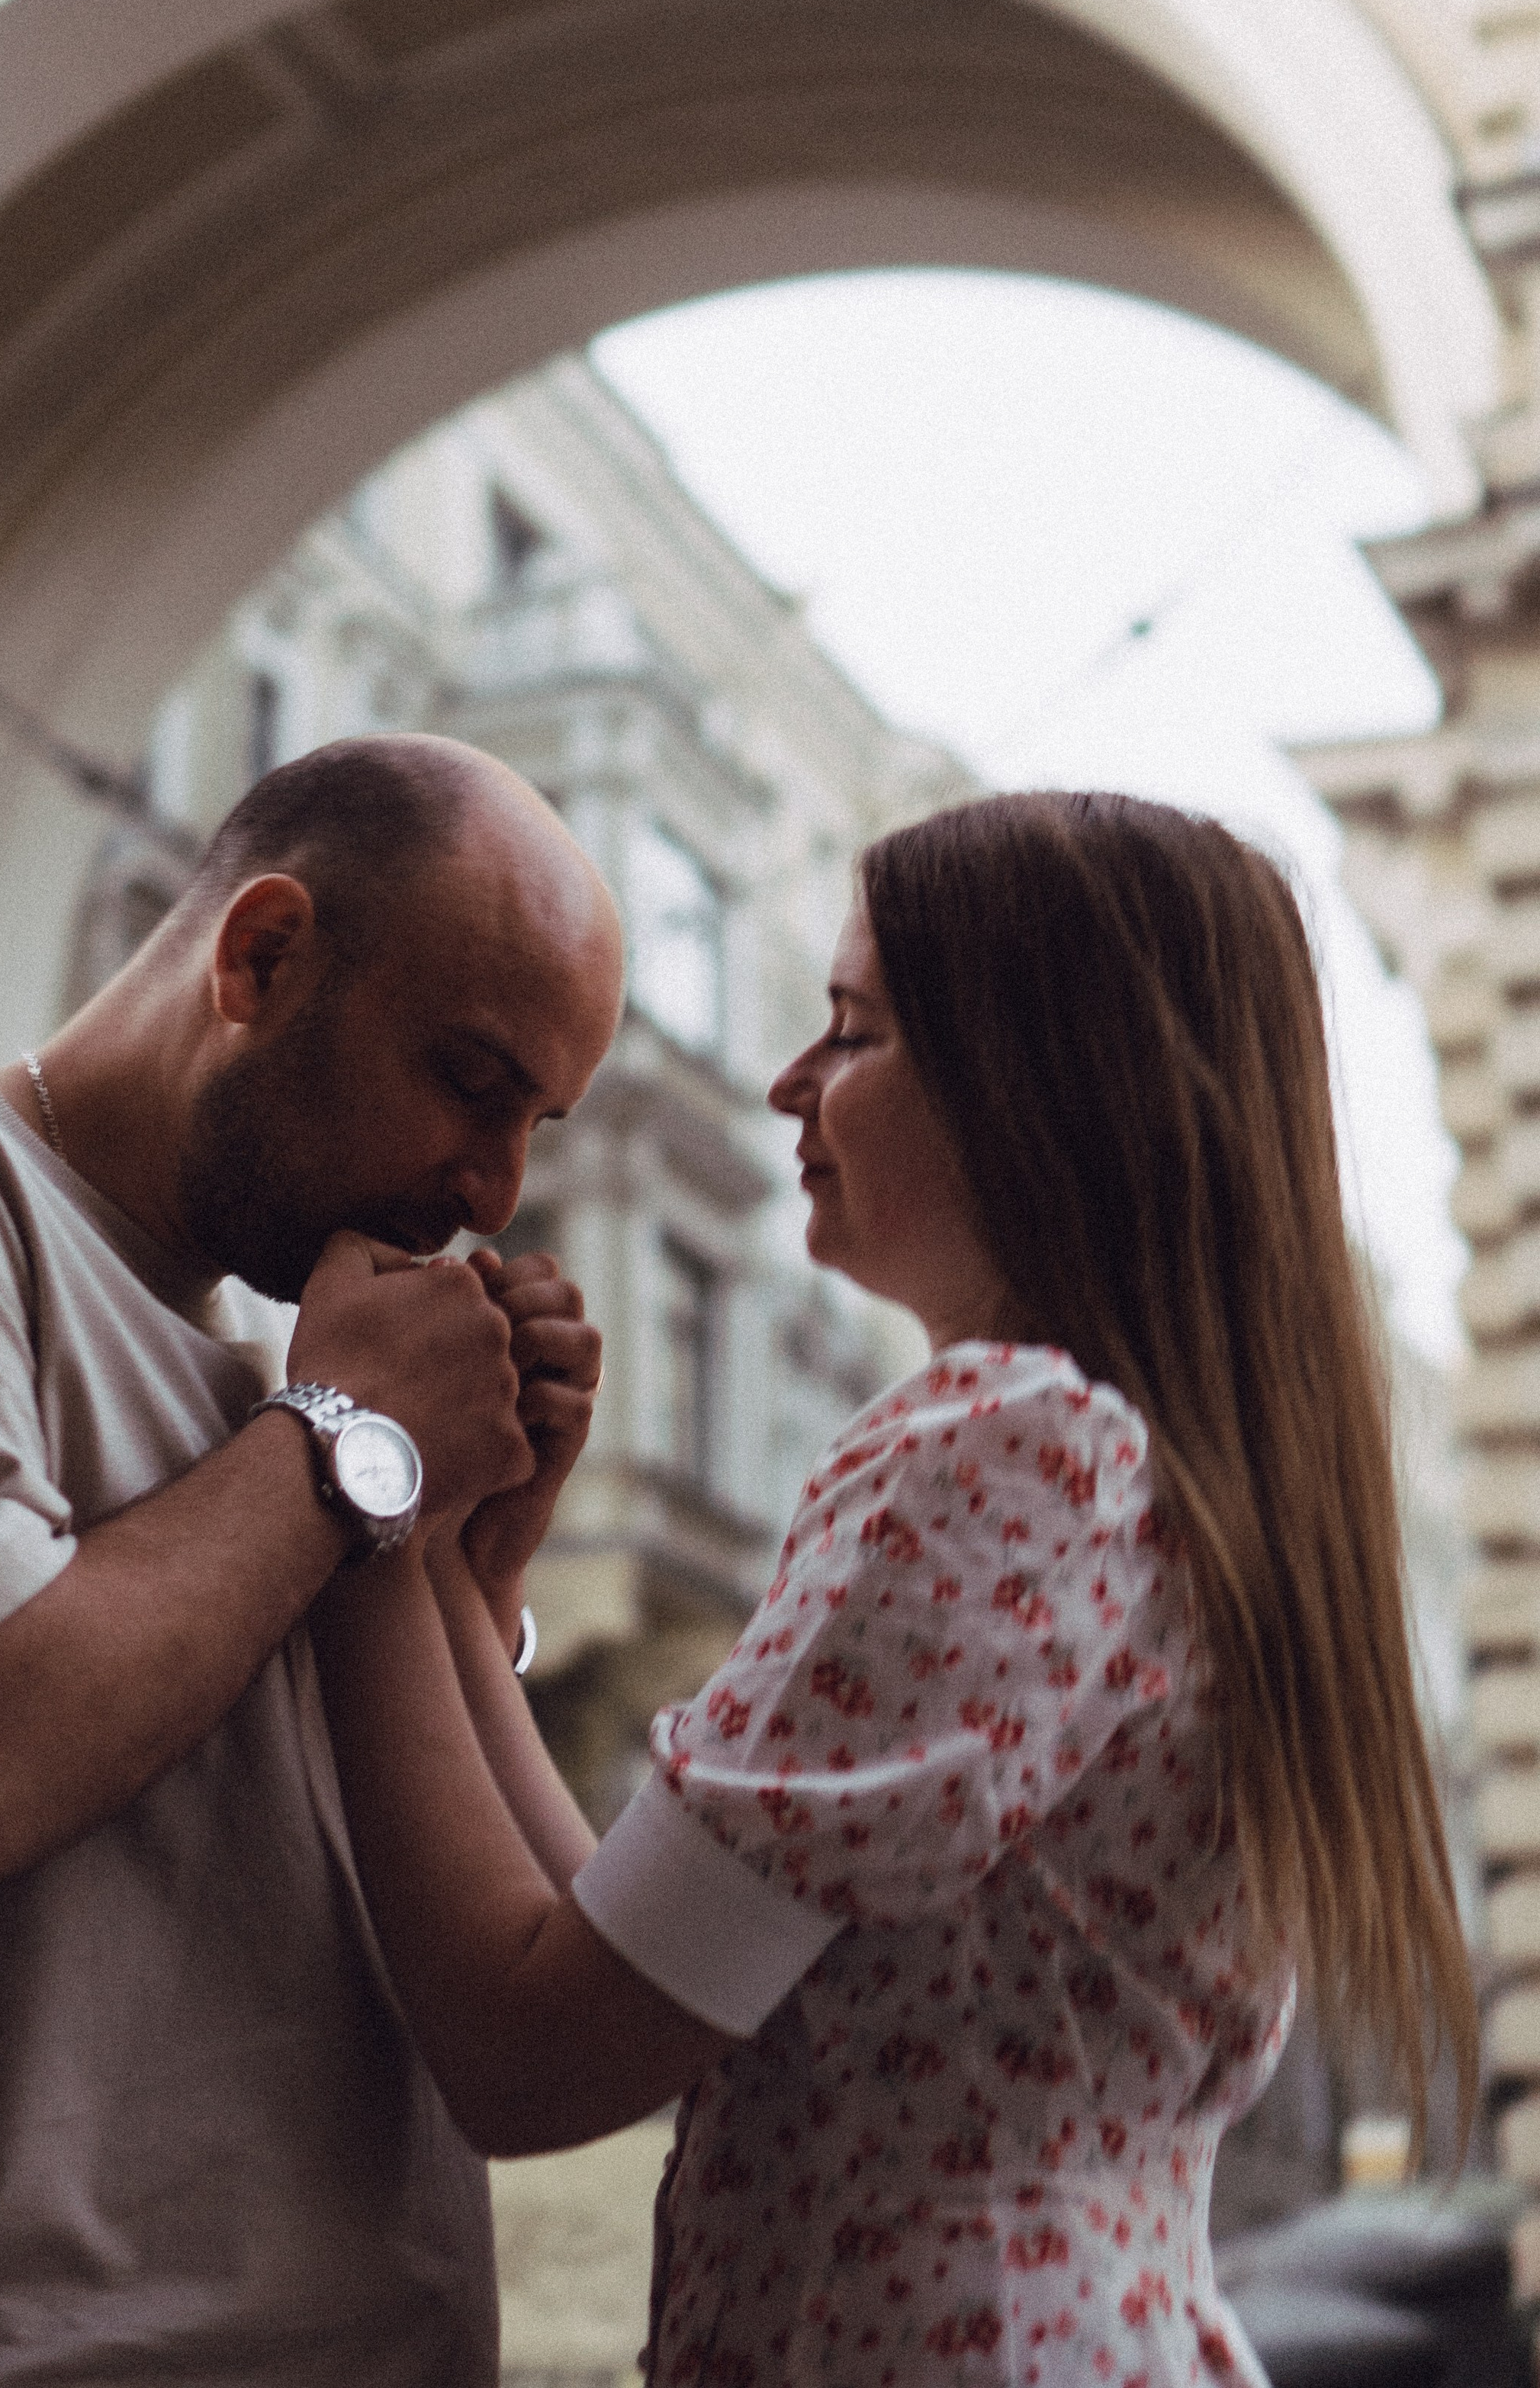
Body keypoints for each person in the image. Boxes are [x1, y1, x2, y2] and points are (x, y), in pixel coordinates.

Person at [311, 791, 1478, 2388]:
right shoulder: (1143, 1474)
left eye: (853, 1034)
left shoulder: (1002, 1447)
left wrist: (348, 1464)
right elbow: (628, 1948)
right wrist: (446, 1560)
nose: (790, 1082)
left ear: (1047, 1087)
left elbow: (530, 2060)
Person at [0, 734, 625, 2386]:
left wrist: (465, 1572)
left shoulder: (288, 1394)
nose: (491, 1191)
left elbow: (507, 2015)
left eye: (534, 1127)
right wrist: (349, 1444)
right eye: (468, 1081)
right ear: (261, 955)